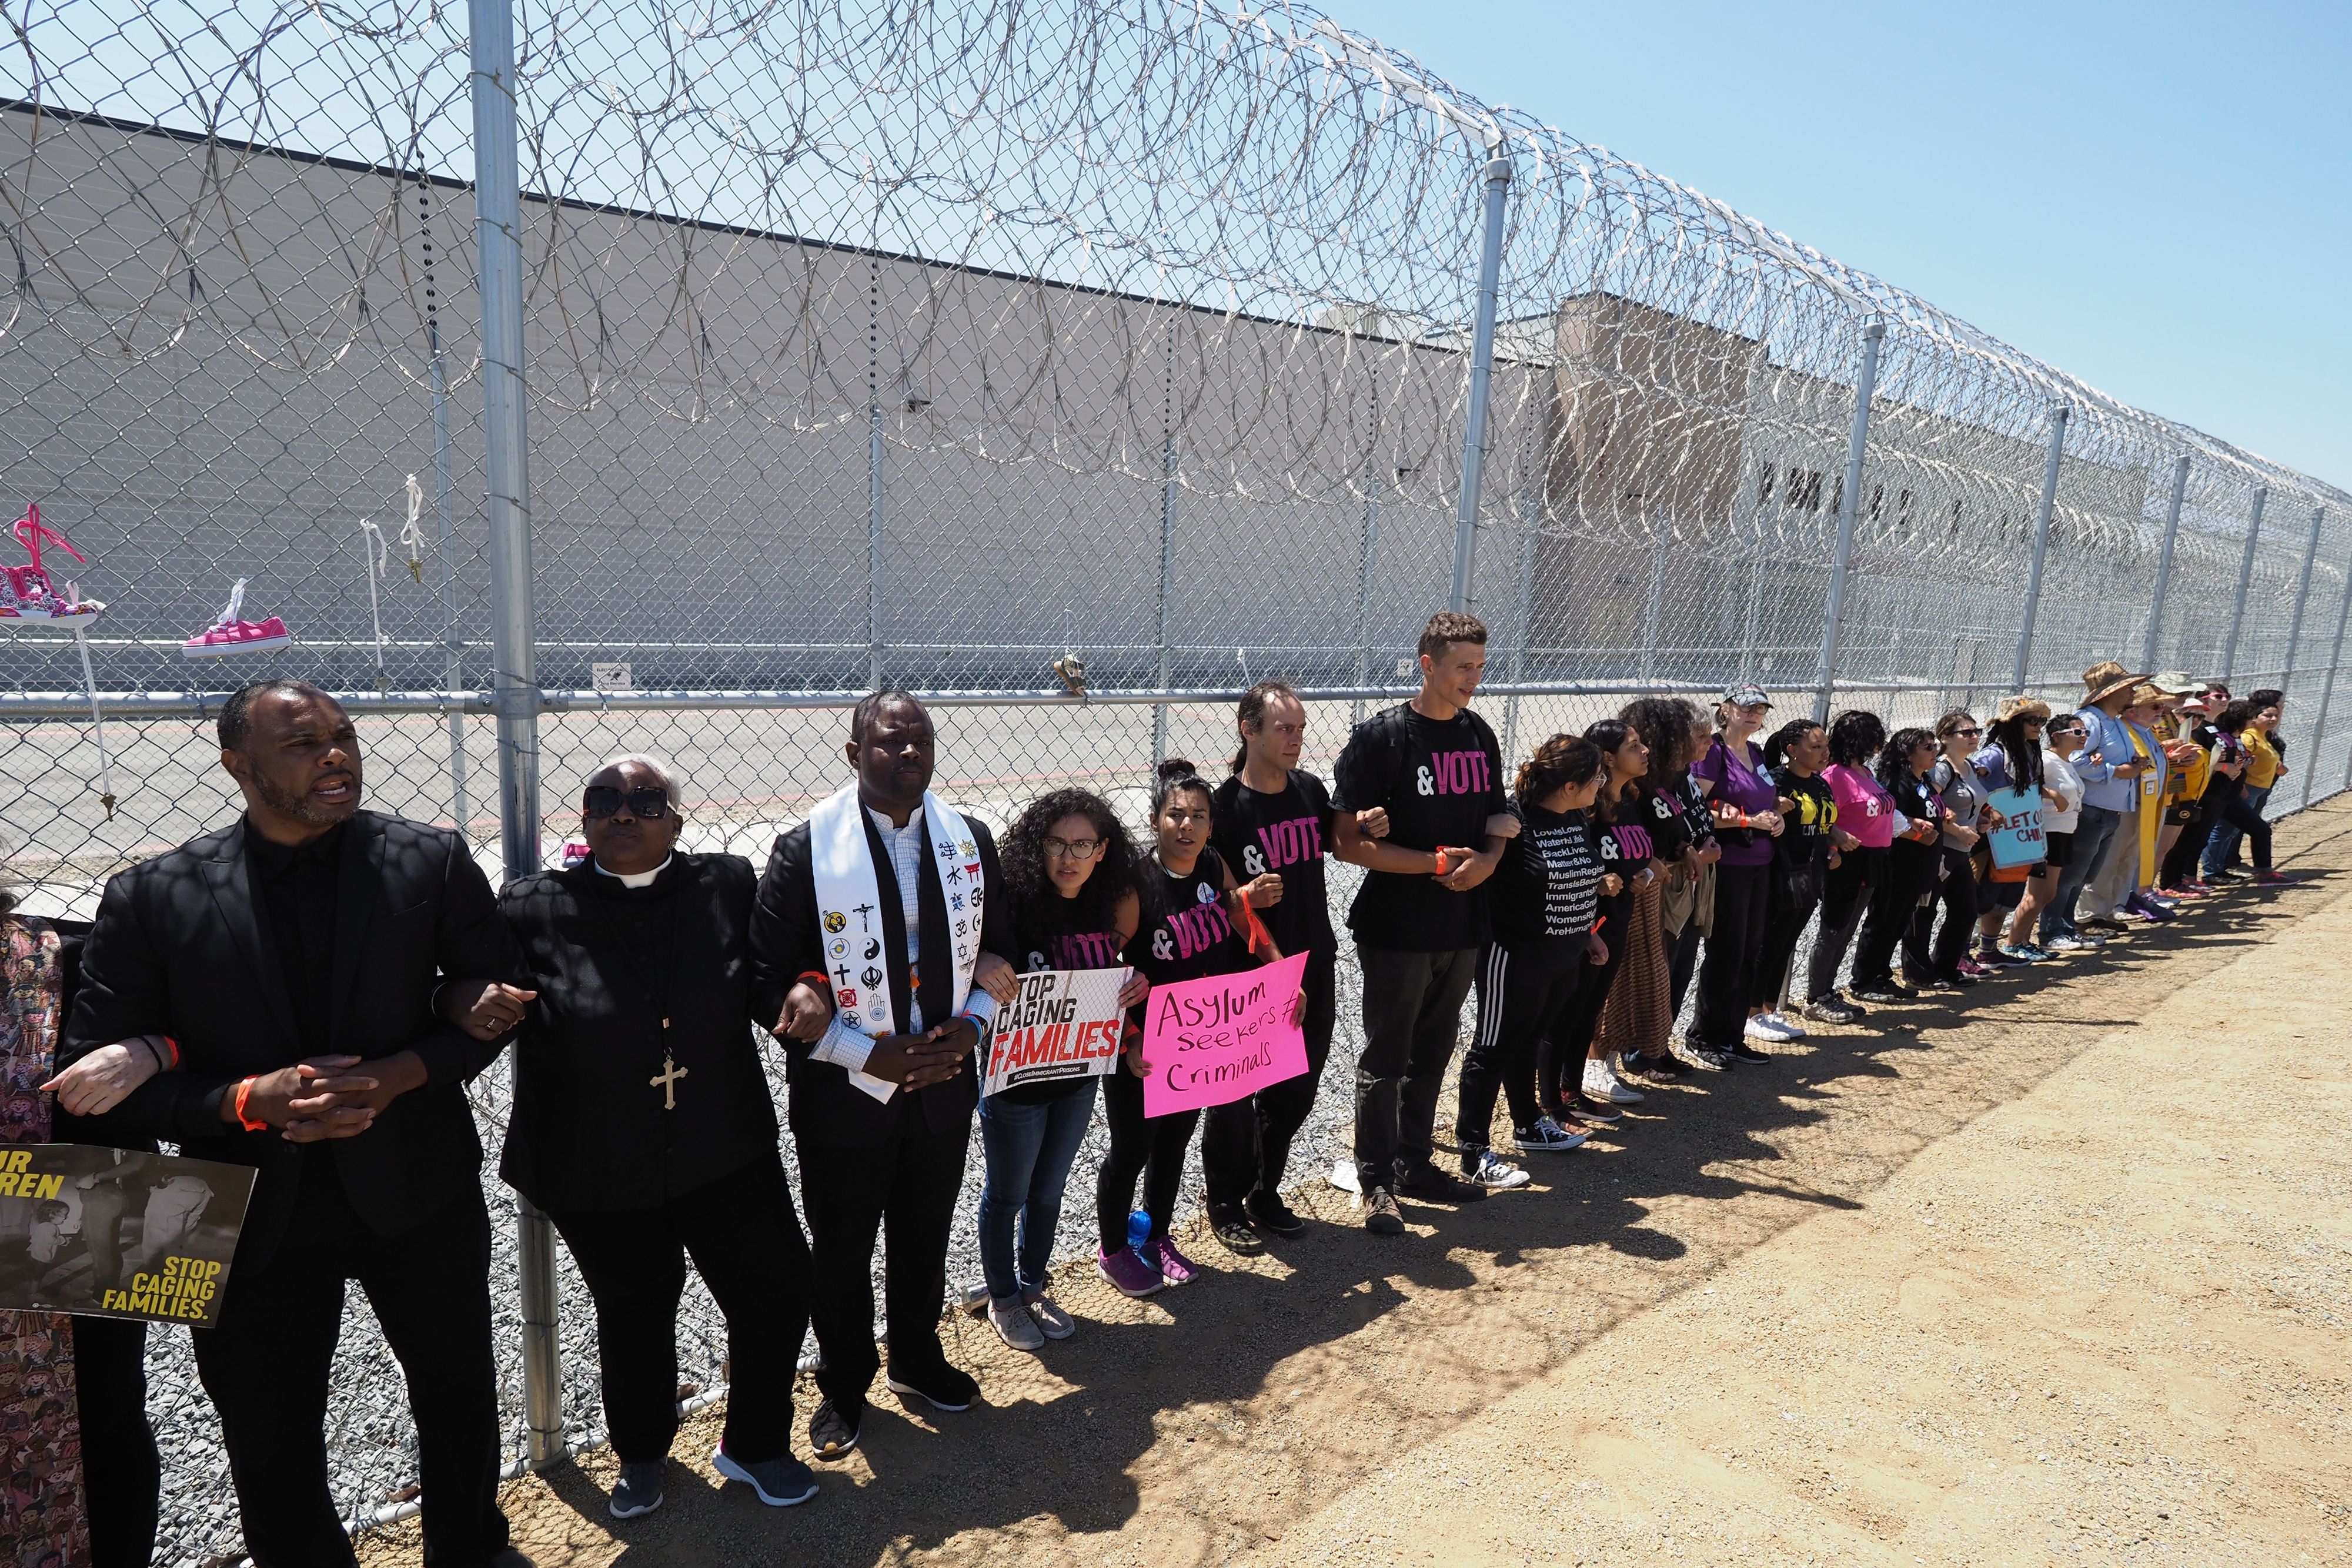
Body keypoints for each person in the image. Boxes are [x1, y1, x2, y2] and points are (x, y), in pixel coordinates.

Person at [58, 678, 533, 1568]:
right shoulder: (152, 896)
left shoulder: (425, 859)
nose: (336, 754)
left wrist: (404, 1072)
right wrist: (245, 1099)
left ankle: (471, 1544)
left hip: (415, 1180)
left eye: (344, 735)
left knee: (460, 1390)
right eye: (303, 742)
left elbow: (490, 1002)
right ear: (237, 763)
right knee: (266, 1430)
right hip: (235, 1204)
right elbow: (104, 1079)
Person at [484, 754, 821, 1515]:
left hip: (721, 1140)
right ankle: (641, 1452)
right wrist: (460, 994)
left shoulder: (726, 883)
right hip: (599, 1157)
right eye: (604, 800)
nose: (623, 813)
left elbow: (786, 954)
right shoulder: (533, 906)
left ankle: (757, 1443)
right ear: (584, 818)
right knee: (635, 1305)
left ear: (677, 818)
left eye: (643, 800)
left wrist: (808, 983)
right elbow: (469, 989)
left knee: (775, 1285)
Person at [747, 690, 1017, 1462]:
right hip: (846, 1092)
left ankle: (916, 1356)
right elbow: (764, 983)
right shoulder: (806, 849)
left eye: (920, 741)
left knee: (924, 1232)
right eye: (889, 743)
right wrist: (865, 1051)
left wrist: (966, 1030)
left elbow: (1000, 958)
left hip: (941, 1084)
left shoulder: (968, 839)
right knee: (841, 1246)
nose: (907, 754)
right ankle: (843, 1382)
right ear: (853, 753)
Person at [1331, 612, 1516, 1234]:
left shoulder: (1478, 735)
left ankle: (1416, 1165)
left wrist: (1486, 865)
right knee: (1388, 1055)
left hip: (1462, 922)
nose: (1473, 678)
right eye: (1463, 666)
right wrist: (1434, 862)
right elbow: (1348, 844)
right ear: (1427, 664)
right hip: (1397, 926)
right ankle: (1376, 1181)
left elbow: (1496, 820)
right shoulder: (1383, 739)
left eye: (1480, 668)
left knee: (1435, 1050)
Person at [1203, 680, 1387, 1251]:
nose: (1295, 738)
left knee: (1296, 1089)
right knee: (1236, 1097)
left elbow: (1342, 836)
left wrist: (1369, 824)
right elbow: (1207, 898)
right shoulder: (1223, 808)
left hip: (1314, 962)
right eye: (1283, 727)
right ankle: (1225, 1204)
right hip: (1252, 972)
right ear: (1248, 730)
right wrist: (1245, 901)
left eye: (1301, 728)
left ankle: (1264, 1189)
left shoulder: (1308, 790)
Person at [972, 787, 1150, 1341]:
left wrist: (1133, 985)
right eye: (1057, 843)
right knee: (1008, 1193)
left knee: (1049, 1191)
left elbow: (1109, 980)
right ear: (1036, 845)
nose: (1068, 857)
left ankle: (1031, 1285)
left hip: (1076, 1079)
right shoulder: (1010, 905)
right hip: (1016, 1083)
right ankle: (1003, 1297)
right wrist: (979, 961)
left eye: (1083, 844)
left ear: (1102, 851)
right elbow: (959, 954)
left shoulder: (1103, 907)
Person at [1097, 760, 1278, 1293]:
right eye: (1176, 814)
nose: (1188, 825)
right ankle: (1112, 1249)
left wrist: (1280, 970)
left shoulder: (1213, 865)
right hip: (1145, 1046)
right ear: (1155, 820)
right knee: (1131, 1147)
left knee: (1174, 1144)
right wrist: (1128, 1039)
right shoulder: (1138, 884)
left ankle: (1154, 1237)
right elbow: (1103, 965)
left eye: (1199, 815)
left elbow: (1242, 918)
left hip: (1194, 1043)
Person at [1454, 734, 1606, 1186]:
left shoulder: (1577, 815)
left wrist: (1587, 935)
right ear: (1570, 784)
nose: (1602, 783)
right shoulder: (1513, 818)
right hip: (1515, 954)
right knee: (1494, 1047)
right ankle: (1474, 1149)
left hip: (1565, 954)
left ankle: (1528, 1124)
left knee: (1530, 1038)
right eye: (1596, 776)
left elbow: (1580, 877)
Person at [1606, 698, 1705, 1085]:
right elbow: (1628, 838)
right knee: (1626, 979)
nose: (1689, 743)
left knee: (1662, 974)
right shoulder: (1633, 788)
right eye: (1680, 734)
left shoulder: (1667, 778)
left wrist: (1685, 847)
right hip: (1637, 887)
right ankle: (1622, 1056)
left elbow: (1672, 827)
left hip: (1662, 886)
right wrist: (1652, 862)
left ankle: (1653, 1046)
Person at [1687, 683, 1786, 1064]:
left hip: (1760, 863)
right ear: (1725, 709)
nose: (1754, 714)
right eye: (1746, 707)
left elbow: (1765, 800)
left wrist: (1775, 814)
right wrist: (1749, 820)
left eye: (1760, 709)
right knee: (1726, 951)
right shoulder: (1713, 751)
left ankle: (1732, 1033)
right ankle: (1704, 1036)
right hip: (1728, 864)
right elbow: (1698, 811)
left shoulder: (1756, 752)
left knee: (1750, 951)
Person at [1576, 720, 1664, 1106]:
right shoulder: (1588, 805)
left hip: (1621, 916)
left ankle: (1598, 1066)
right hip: (1587, 922)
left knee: (1604, 997)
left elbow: (1637, 855)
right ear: (1608, 757)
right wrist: (1598, 880)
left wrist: (1646, 872)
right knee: (1578, 1005)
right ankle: (1580, 1073)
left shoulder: (1630, 799)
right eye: (1634, 746)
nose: (1644, 750)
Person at [1749, 718, 1838, 1041]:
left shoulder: (1820, 783)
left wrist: (1831, 848)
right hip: (1780, 874)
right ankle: (1752, 1012)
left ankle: (1772, 1011)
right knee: (1767, 945)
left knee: (1786, 944)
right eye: (1815, 747)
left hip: (1810, 877)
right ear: (1792, 750)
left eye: (1825, 746)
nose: (1824, 752)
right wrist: (1773, 805)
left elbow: (1823, 827)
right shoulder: (1775, 783)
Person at [1801, 709, 1891, 1023]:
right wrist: (1833, 847)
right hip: (1846, 860)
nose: (1879, 741)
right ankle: (1816, 997)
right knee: (1834, 927)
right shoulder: (1835, 774)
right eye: (1874, 735)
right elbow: (1823, 819)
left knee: (1848, 928)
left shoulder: (1864, 771)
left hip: (1871, 859)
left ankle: (1827, 989)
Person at [2054, 661, 2150, 941]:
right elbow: (2074, 760)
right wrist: (2115, 771)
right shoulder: (2090, 721)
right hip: (2092, 808)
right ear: (2110, 692)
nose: (2133, 692)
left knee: (2085, 875)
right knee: (2073, 875)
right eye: (2128, 688)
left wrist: (2134, 764)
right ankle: (2062, 927)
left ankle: (2070, 925)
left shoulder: (2114, 722)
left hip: (2110, 809)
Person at [1850, 728, 1943, 1003]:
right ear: (1907, 754)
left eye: (1934, 745)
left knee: (1898, 923)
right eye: (1927, 747)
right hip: (1897, 863)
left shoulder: (1923, 779)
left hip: (1919, 865)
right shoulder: (1895, 782)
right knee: (1882, 921)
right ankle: (1864, 980)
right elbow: (1890, 821)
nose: (1934, 750)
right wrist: (1917, 834)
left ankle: (1880, 976)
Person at [1907, 710, 1994, 989]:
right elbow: (1931, 807)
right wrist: (1958, 830)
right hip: (1940, 850)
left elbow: (1969, 805)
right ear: (1946, 737)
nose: (1974, 737)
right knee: (1925, 912)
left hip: (1960, 853)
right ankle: (1918, 973)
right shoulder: (1942, 769)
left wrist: (1982, 819)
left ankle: (1946, 967)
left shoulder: (1969, 767)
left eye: (1976, 732)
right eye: (1966, 733)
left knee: (1965, 911)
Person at [1967, 698, 2052, 965]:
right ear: (2015, 724)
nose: (2039, 726)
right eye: (2033, 721)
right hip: (1990, 839)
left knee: (2008, 892)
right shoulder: (1994, 754)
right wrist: (1985, 810)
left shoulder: (2029, 752)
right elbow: (1970, 780)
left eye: (2042, 721)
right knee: (1982, 894)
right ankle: (1959, 953)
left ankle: (1989, 951)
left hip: (2018, 837)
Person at [2013, 708, 2087, 954]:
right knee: (2040, 893)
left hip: (2064, 833)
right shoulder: (2046, 759)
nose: (2083, 736)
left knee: (2047, 893)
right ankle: (2014, 943)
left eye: (2085, 732)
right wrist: (2051, 794)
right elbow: (2025, 781)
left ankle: (2024, 941)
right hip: (2047, 832)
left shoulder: (2067, 762)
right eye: (2077, 732)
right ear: (2056, 736)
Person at [2205, 690, 2288, 883]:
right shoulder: (2249, 736)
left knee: (2233, 830)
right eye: (2267, 715)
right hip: (2246, 788)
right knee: (2225, 830)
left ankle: (2220, 868)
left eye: (2275, 715)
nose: (2273, 718)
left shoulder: (2264, 735)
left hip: (2255, 789)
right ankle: (2213, 871)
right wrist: (2242, 783)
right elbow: (2241, 759)